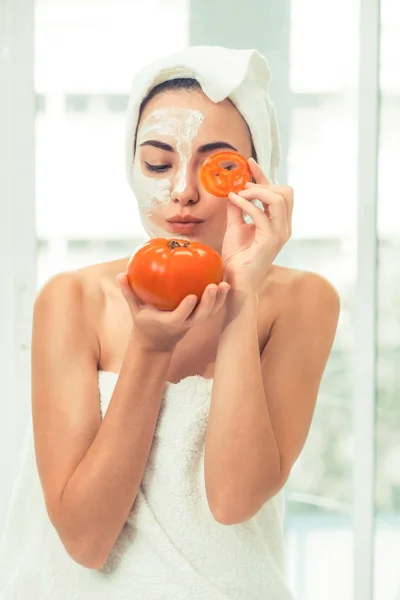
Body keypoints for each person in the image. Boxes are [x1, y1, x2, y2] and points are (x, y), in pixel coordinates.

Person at [0, 46, 340, 599]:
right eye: (157, 163)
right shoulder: (72, 300)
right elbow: (85, 540)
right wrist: (150, 351)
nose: (181, 190)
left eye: (216, 165)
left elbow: (233, 500)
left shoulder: (303, 301)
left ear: (259, 171)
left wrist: (241, 295)